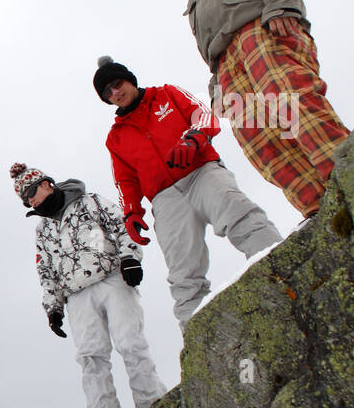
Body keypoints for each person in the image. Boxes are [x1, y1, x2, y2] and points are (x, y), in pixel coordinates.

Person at [148, 0, 350, 218]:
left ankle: (351, 178)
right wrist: (217, 88)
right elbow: (209, 49)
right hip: (227, 64)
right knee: (258, 137)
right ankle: (320, 208)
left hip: (261, 32)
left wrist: (282, 3)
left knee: (291, 105)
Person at [93, 56, 283, 329]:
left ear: (129, 80)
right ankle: (197, 335)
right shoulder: (116, 137)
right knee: (183, 273)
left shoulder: (167, 94)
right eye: (107, 92)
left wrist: (194, 137)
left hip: (201, 173)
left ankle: (281, 270)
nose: (115, 92)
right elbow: (125, 181)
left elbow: (203, 114)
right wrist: (132, 212)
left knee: (241, 216)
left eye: (117, 84)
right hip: (165, 199)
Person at [9, 161, 168, 408]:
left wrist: (130, 258)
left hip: (111, 278)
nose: (30, 200)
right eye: (25, 198)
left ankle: (151, 402)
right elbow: (45, 269)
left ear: (47, 183)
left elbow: (121, 225)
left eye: (32, 192)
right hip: (76, 293)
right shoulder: (43, 230)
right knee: (90, 356)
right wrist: (53, 307)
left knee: (130, 341)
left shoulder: (91, 202)